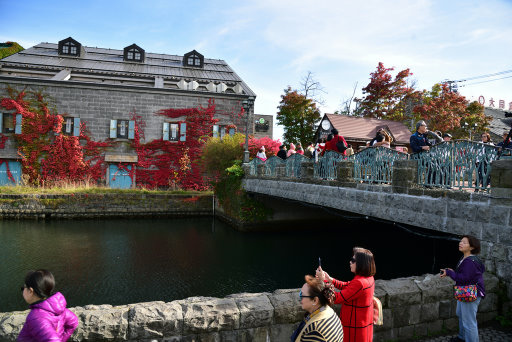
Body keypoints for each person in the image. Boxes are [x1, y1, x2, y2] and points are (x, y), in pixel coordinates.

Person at [317, 247, 376, 342]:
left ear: (361, 263)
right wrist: (329, 279)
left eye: (353, 260)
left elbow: (336, 298)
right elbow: (348, 286)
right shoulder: (368, 278)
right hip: (363, 327)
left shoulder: (360, 283)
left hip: (354, 329)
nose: (350, 262)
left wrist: (322, 282)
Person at [440, 235, 485, 342]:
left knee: (469, 322)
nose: (460, 243)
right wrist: (452, 272)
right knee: (460, 314)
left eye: (464, 242)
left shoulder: (470, 261)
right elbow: (469, 274)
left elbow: (464, 278)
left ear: (472, 247)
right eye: (460, 241)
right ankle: (462, 338)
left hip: (471, 293)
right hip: (464, 291)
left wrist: (450, 273)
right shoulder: (465, 258)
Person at [18, 269, 78, 342]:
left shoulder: (36, 317)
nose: (23, 291)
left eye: (23, 288)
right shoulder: (58, 309)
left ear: (31, 291)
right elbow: (73, 322)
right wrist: (62, 339)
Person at [291, 275, 344, 342]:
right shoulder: (329, 311)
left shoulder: (315, 330)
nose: (300, 299)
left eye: (302, 295)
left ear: (315, 300)